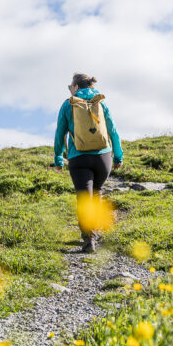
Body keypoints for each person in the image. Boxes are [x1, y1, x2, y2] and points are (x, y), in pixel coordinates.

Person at [53, 73, 123, 252]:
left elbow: (60, 133)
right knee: (97, 193)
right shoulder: (101, 102)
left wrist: (58, 159)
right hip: (103, 157)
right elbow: (113, 130)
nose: (70, 90)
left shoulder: (68, 104)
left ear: (76, 87)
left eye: (70, 87)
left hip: (79, 158)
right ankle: (96, 232)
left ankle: (89, 238)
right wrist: (118, 157)